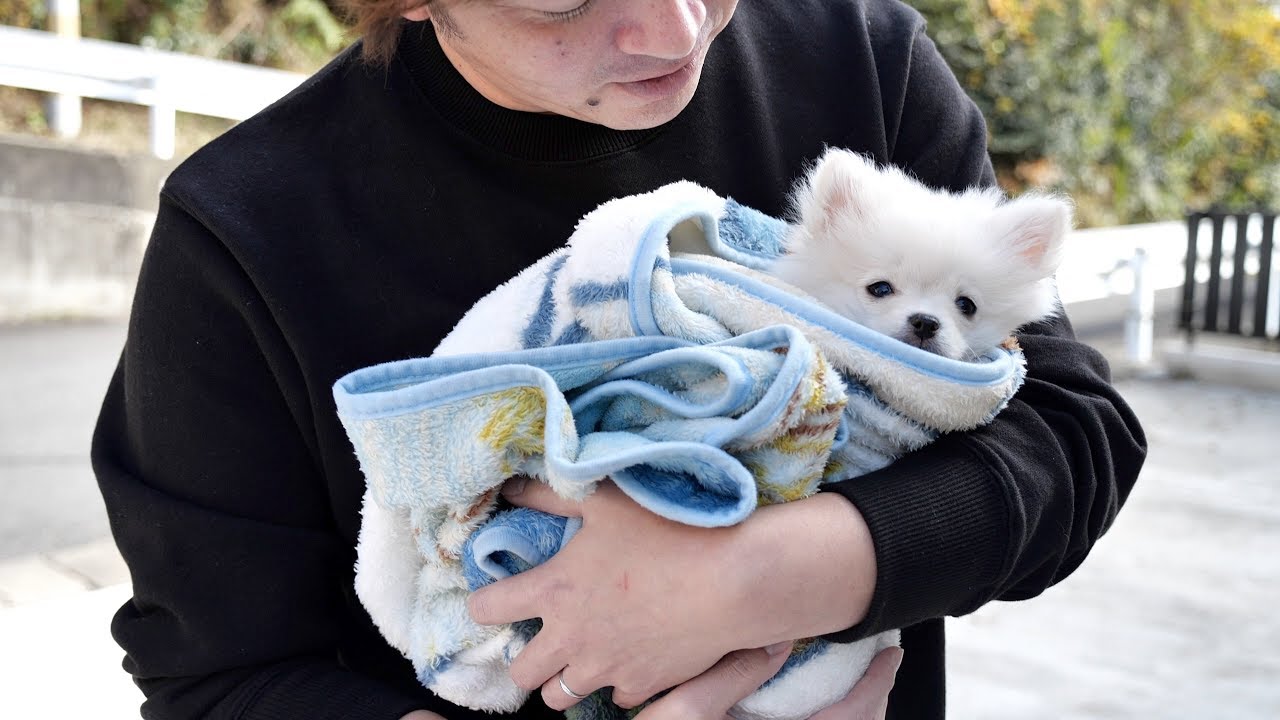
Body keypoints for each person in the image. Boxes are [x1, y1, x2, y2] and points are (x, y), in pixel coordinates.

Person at [90, 1, 1147, 719]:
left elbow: (1069, 432)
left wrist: (749, 583)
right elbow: (218, 678)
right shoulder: (248, 232)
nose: (668, 25)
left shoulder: (856, 58)